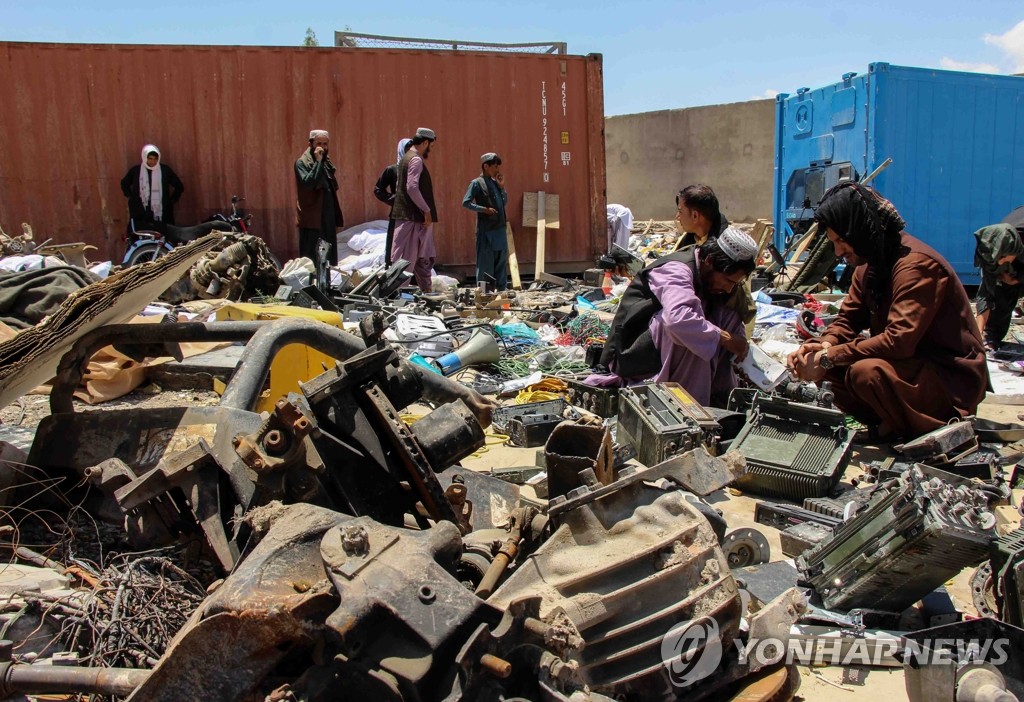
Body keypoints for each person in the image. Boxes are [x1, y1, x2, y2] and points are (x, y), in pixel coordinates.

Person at [788, 182, 988, 440]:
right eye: (833, 243)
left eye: (841, 240)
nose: (838, 252)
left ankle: (922, 429)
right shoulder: (868, 267)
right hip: (908, 369)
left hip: (949, 380)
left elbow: (899, 342)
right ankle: (890, 424)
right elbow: (848, 319)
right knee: (833, 368)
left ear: (859, 229)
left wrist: (830, 355)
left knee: (866, 372)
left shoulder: (915, 266)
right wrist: (822, 346)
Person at [588, 228, 758, 407]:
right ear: (709, 261)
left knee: (728, 315)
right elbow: (678, 320)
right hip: (636, 353)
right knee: (684, 328)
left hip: (666, 353)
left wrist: (739, 346)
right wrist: (724, 339)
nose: (730, 288)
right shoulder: (676, 269)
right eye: (729, 281)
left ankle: (723, 400)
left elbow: (734, 325)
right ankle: (689, 409)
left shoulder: (716, 280)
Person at [391, 127, 438, 292]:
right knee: (406, 261)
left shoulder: (406, 157)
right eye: (430, 145)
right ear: (425, 142)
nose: (430, 149)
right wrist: (426, 210)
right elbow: (412, 188)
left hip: (407, 217)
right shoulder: (415, 160)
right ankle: (399, 296)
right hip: (411, 218)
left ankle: (406, 294)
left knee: (406, 260)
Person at [295, 128, 343, 283]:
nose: (322, 147)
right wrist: (318, 162)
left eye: (325, 144)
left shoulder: (326, 164)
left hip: (326, 218)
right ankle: (311, 290)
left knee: (327, 257)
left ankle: (325, 287)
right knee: (312, 259)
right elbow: (310, 183)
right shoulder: (302, 163)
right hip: (312, 219)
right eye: (318, 144)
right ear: (311, 144)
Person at [973, 205, 1024, 349]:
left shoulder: (1013, 245)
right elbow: (985, 294)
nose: (1000, 262)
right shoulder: (993, 244)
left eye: (1003, 258)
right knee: (1002, 284)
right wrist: (978, 335)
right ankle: (991, 337)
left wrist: (1018, 278)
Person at [462, 152, 508, 291]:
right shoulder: (476, 183)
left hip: (499, 230)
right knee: (485, 266)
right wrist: (484, 209)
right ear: (486, 166)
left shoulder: (495, 183)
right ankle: (484, 295)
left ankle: (500, 293)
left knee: (500, 263)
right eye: (495, 167)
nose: (497, 170)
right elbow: (466, 203)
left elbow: (504, 202)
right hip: (486, 232)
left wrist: (502, 187)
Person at [120, 144, 184, 235]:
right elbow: (124, 183)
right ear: (145, 157)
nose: (153, 161)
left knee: (165, 236)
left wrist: (171, 201)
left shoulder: (165, 170)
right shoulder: (136, 171)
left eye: (155, 159)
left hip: (161, 211)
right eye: (150, 158)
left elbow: (179, 186)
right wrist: (131, 197)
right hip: (141, 212)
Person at [374, 138, 413, 268]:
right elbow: (378, 190)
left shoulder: (416, 169)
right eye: (407, 149)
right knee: (394, 246)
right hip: (398, 214)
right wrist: (393, 199)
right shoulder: (392, 170)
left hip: (415, 215)